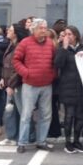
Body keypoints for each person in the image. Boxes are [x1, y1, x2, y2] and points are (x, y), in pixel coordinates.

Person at [13, 18, 57, 153]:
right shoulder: (25, 43)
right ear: (34, 29)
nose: (44, 30)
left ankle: (41, 141)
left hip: (46, 84)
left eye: (45, 28)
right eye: (41, 28)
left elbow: (55, 61)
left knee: (46, 114)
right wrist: (26, 73)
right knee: (26, 114)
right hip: (30, 84)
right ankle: (22, 142)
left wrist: (52, 74)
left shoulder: (50, 44)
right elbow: (16, 60)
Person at [56, 26, 83, 154]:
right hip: (67, 87)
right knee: (69, 116)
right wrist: (64, 48)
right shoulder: (62, 49)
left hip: (81, 88)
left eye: (69, 34)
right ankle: (68, 142)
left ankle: (77, 140)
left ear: (75, 35)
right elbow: (58, 64)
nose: (67, 37)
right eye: (65, 34)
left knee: (80, 117)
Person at [0, 24, 28, 146]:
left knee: (19, 111)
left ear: (16, 33)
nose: (7, 31)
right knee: (11, 111)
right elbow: (6, 65)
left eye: (10, 30)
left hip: (16, 84)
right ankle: (12, 136)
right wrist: (2, 78)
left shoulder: (19, 46)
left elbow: (17, 68)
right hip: (10, 82)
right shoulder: (11, 45)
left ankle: (24, 136)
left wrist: (11, 85)